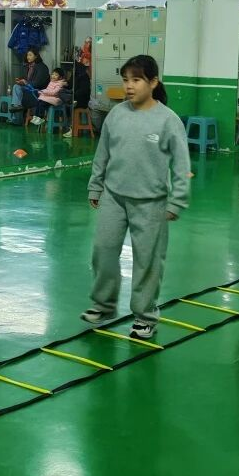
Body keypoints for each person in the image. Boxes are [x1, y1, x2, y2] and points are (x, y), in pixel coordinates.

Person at [82, 55, 191, 341]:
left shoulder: (168, 120)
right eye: (125, 80)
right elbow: (102, 154)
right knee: (103, 250)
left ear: (153, 82)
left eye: (137, 80)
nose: (129, 86)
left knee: (148, 261)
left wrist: (177, 200)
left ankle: (145, 316)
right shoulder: (116, 115)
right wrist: (96, 186)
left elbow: (182, 165)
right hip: (114, 196)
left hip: (151, 202)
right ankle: (104, 305)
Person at [9, 49, 51, 117]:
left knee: (16, 91)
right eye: (27, 55)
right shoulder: (28, 66)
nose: (28, 57)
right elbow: (27, 79)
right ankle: (17, 108)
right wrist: (21, 80)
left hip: (38, 92)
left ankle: (16, 114)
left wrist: (25, 82)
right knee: (16, 87)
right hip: (29, 90)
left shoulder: (42, 67)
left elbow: (38, 83)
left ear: (36, 56)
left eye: (30, 55)